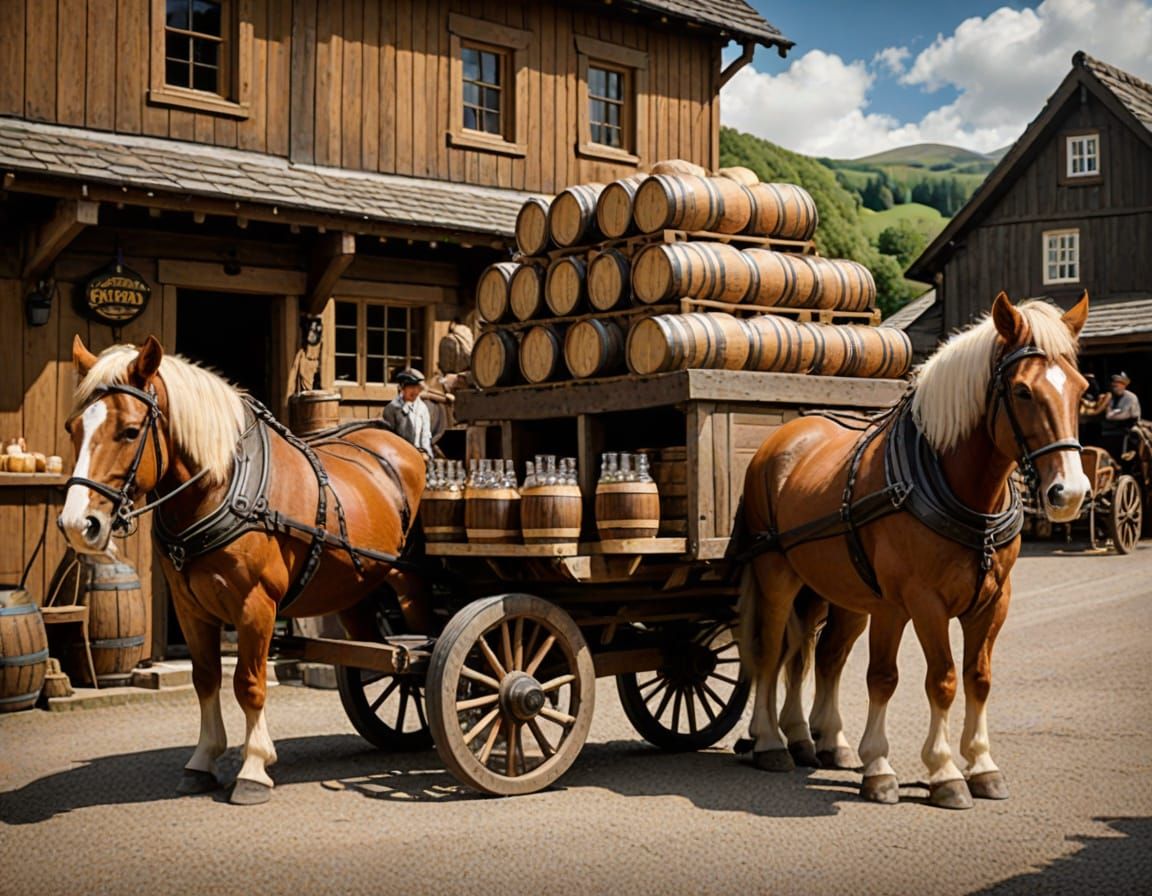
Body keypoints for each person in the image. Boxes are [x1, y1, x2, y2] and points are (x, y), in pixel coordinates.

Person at [382, 368, 433, 459]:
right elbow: (389, 437)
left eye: (417, 388)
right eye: (411, 388)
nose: (415, 392)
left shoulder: (422, 408)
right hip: (398, 455)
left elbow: (425, 435)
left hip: (419, 454)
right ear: (402, 387)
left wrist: (426, 452)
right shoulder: (392, 408)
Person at [1101, 372, 1141, 460]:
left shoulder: (1131, 397)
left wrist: (1112, 415)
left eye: (1118, 383)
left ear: (1124, 385)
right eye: (1114, 383)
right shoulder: (1110, 397)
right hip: (1112, 428)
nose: (1115, 385)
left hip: (1128, 428)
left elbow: (1125, 415)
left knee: (1134, 438)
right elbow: (1107, 413)